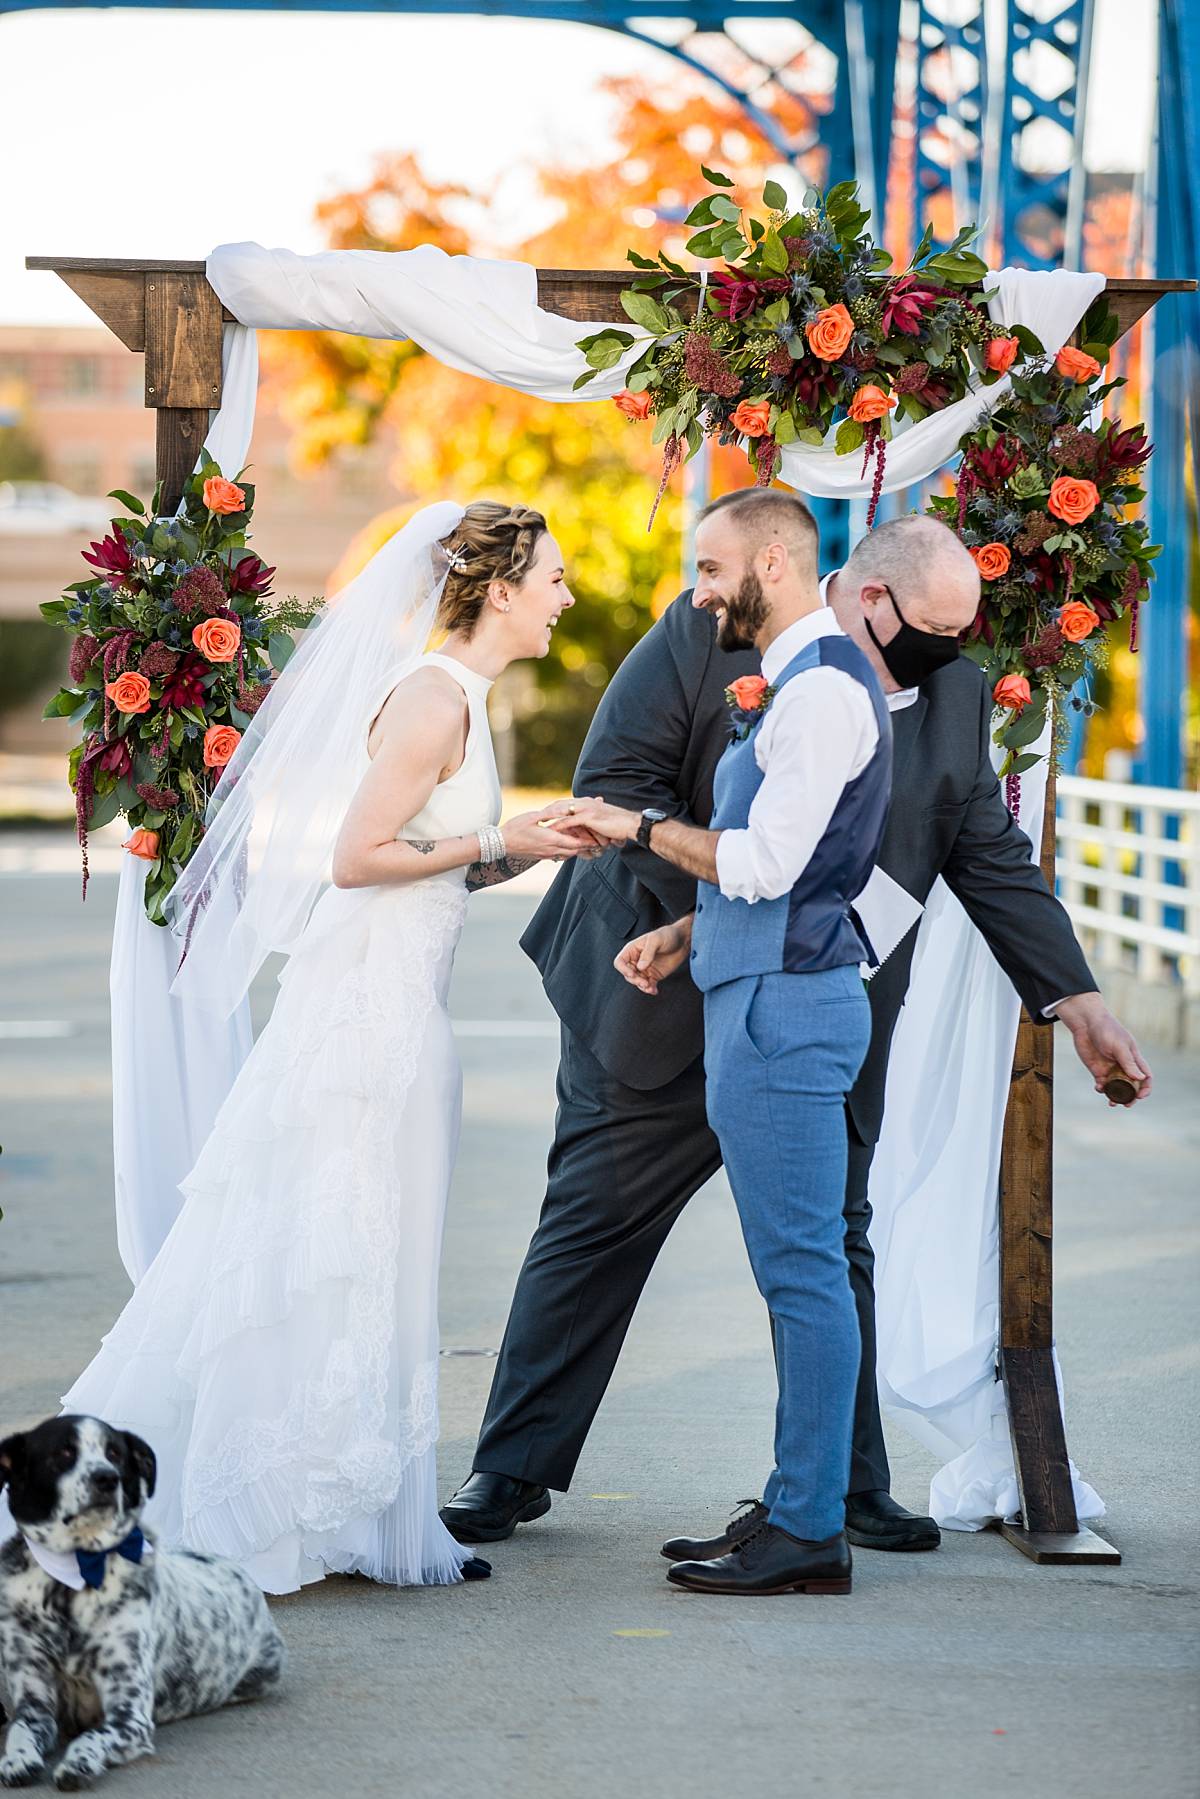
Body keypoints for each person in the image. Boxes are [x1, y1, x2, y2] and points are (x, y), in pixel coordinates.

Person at [442, 508, 1150, 1562]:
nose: (950, 657)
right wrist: (718, 914)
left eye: (963, 638)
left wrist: (1077, 997)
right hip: (653, 982)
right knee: (594, 1218)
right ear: (873, 597)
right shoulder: (706, 631)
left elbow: (981, 850)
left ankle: (844, 1486)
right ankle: (511, 1463)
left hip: (823, 1002)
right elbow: (616, 787)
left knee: (829, 1245)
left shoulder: (954, 695)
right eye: (933, 631)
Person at [54, 501, 592, 1595]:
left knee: (365, 1255)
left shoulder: (466, 700)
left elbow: (432, 859)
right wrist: (496, 835)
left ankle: (348, 1511)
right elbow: (357, 856)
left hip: (403, 1004)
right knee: (325, 1251)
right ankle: (262, 1507)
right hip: (365, 1018)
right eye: (556, 577)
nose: (567, 596)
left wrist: (518, 850)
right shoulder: (433, 701)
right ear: (499, 587)